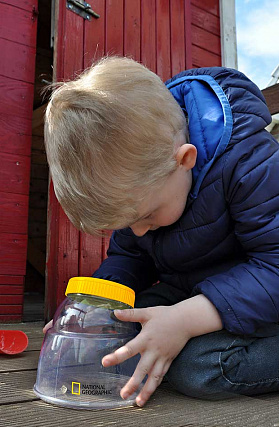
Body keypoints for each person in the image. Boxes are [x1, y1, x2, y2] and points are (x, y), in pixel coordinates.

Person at [43, 56, 279, 406]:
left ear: (185, 159)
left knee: (196, 366)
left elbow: (274, 266)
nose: (138, 231)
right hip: (191, 293)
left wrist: (184, 320)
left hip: (262, 298)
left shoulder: (250, 164)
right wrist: (93, 312)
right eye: (127, 224)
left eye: (147, 216)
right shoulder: (147, 183)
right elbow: (129, 256)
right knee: (122, 332)